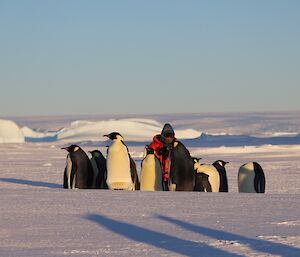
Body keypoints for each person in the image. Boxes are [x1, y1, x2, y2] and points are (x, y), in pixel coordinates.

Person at [148, 123, 176, 190]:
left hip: (171, 177)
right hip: (157, 176)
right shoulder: (154, 145)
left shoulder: (176, 146)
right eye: (167, 135)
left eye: (170, 136)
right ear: (163, 135)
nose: (168, 138)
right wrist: (159, 152)